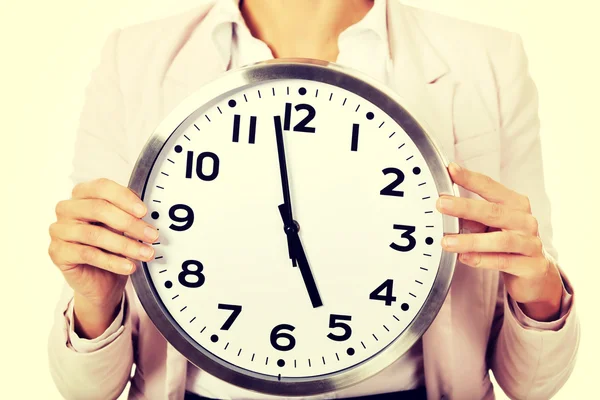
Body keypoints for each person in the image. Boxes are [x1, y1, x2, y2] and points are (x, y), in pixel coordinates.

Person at [46, 0, 580, 399]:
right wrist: (95, 302)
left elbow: (532, 385)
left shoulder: (488, 59)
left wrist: (536, 284)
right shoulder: (132, 61)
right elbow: (88, 389)